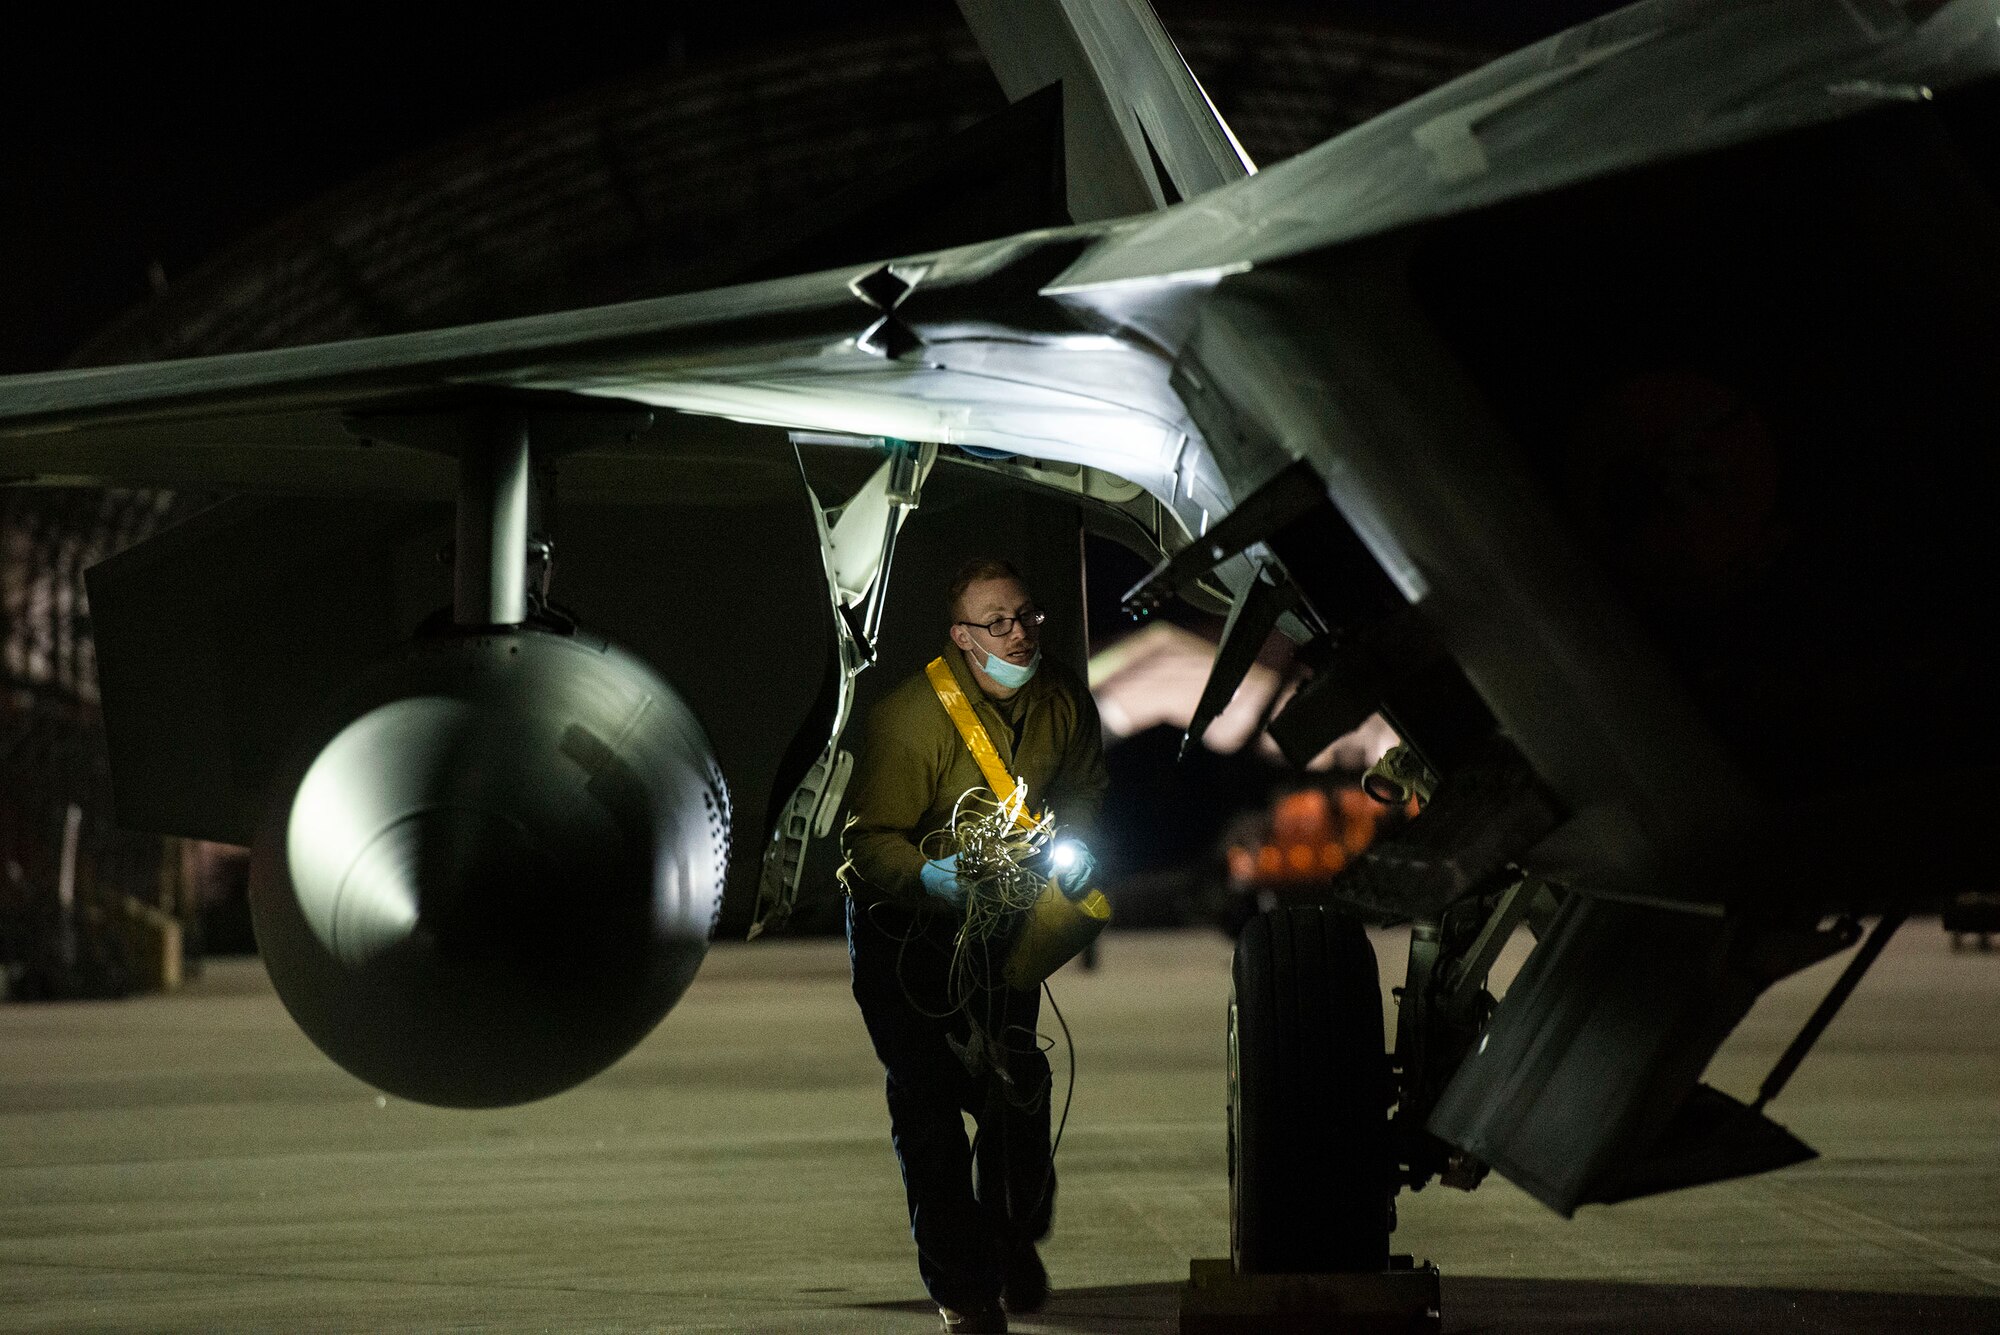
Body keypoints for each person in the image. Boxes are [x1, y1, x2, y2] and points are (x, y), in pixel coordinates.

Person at [839, 557, 1109, 1334]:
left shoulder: (1063, 698)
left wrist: (1080, 845)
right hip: (903, 929)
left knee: (1018, 1084)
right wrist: (929, 876)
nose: (1019, 634)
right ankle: (965, 1289)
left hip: (1000, 923)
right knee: (926, 1106)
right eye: (998, 622)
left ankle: (1010, 1237)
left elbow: (1086, 789)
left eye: (1027, 616)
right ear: (962, 637)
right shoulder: (911, 719)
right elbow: (866, 841)